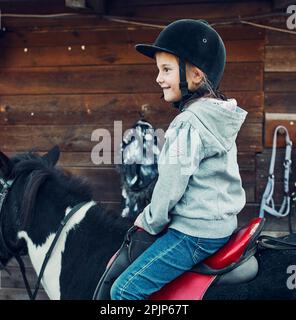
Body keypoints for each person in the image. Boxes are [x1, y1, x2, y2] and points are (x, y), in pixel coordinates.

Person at [111, 19, 248, 300]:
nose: (158, 78)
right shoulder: (217, 116)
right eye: (158, 70)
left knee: (124, 291)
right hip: (221, 225)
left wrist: (147, 222)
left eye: (166, 70)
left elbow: (170, 188)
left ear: (196, 76)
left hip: (194, 234)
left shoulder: (188, 122)